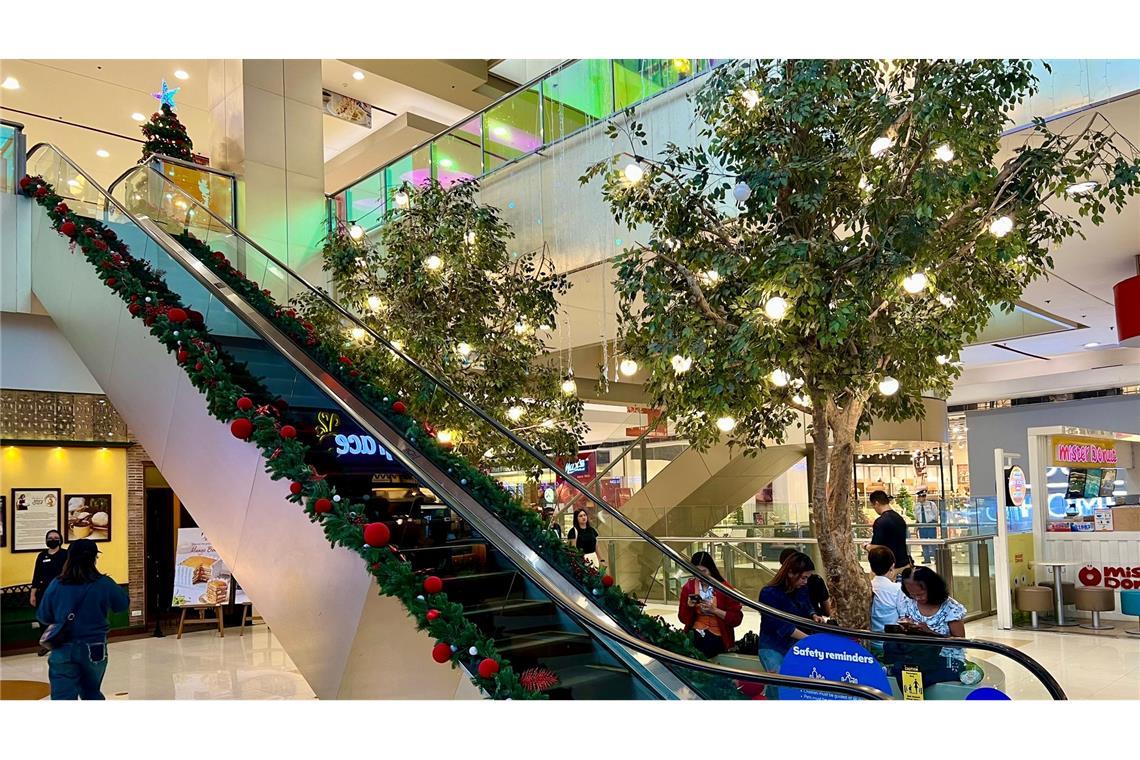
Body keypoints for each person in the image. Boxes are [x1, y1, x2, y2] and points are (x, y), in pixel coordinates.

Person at [36, 539, 129, 700]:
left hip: (62, 647)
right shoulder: (104, 583)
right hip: (95, 647)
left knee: (62, 697)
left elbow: (43, 616)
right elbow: (122, 605)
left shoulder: (57, 584)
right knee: (91, 693)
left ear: (69, 558)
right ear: (94, 558)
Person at [888, 566, 967, 688]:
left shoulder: (951, 608)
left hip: (946, 658)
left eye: (920, 594)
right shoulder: (908, 603)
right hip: (916, 655)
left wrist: (930, 633)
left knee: (916, 675)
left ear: (932, 588)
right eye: (912, 594)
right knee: (901, 668)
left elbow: (960, 642)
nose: (917, 598)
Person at [758, 551, 824, 695]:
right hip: (773, 647)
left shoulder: (800, 589)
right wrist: (809, 639)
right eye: (803, 578)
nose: (805, 582)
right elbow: (782, 627)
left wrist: (813, 615)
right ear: (790, 573)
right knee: (780, 687)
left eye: (807, 578)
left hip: (795, 646)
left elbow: (807, 605)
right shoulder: (768, 594)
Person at [677, 551, 744, 657]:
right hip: (696, 631)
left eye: (704, 571)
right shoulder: (689, 587)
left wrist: (715, 611)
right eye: (696, 572)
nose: (700, 576)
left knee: (707, 646)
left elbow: (736, 619)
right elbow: (683, 619)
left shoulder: (724, 588)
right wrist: (689, 607)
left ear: (711, 570)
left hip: (718, 634)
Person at [779, 547, 832, 617]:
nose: (805, 582)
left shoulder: (805, 587)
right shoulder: (775, 591)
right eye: (803, 578)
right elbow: (827, 611)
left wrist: (814, 614)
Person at [868, 546, 901, 654]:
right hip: (892, 645)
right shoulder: (897, 590)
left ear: (871, 568)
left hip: (871, 643)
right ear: (892, 567)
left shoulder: (867, 587)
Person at [866, 490, 912, 570]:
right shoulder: (899, 518)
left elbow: (876, 547)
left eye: (873, 506)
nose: (874, 509)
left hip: (889, 568)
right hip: (904, 564)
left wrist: (866, 546)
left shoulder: (880, 521)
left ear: (876, 503)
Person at [30, 530, 68, 608]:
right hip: (44, 591)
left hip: (62, 591)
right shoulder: (42, 555)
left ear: (60, 540)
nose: (53, 540)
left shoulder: (66, 554)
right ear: (46, 540)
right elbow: (36, 576)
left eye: (56, 538)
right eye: (50, 538)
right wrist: (32, 595)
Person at [915, 489, 940, 564]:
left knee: (933, 543)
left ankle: (936, 559)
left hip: (930, 525)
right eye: (919, 497)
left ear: (924, 497)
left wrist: (935, 523)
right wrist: (917, 526)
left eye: (921, 497)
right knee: (924, 543)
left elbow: (936, 513)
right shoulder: (916, 506)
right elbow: (916, 516)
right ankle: (926, 559)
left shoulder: (931, 504)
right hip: (922, 526)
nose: (919, 498)